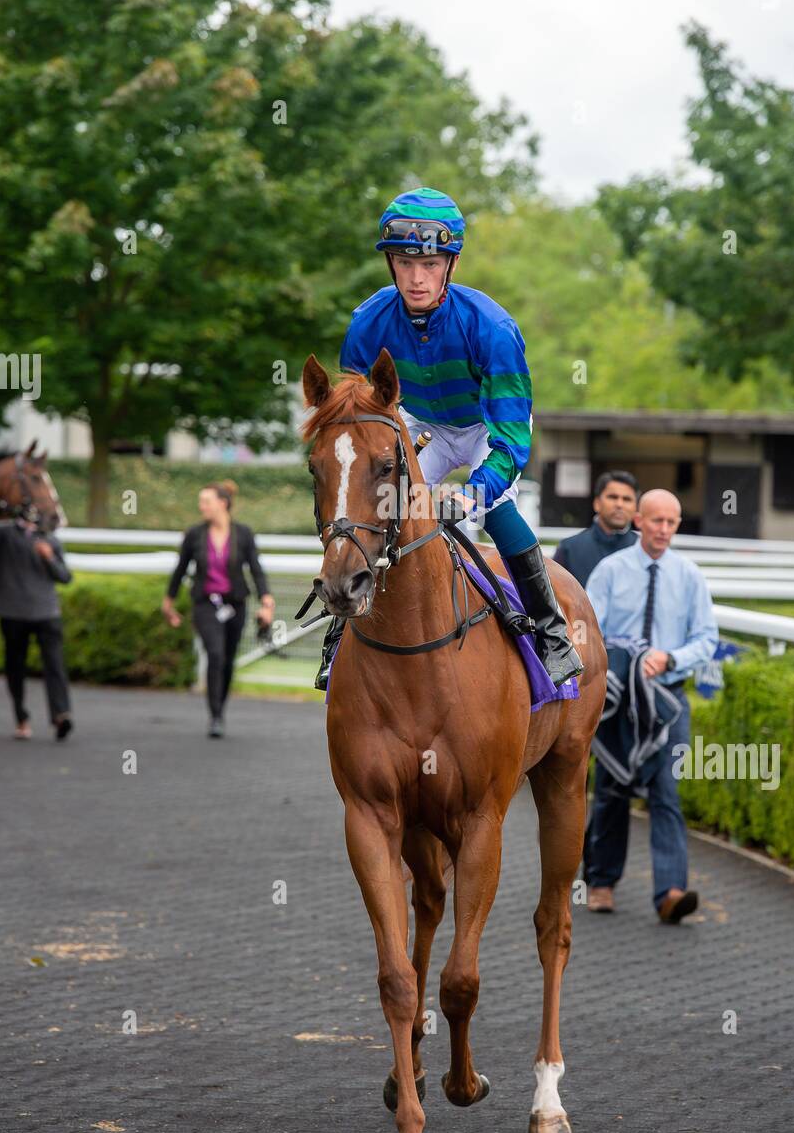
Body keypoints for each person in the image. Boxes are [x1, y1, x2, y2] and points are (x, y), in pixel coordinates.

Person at [314, 185, 582, 691]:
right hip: (422, 426)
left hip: (486, 427)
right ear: (390, 263)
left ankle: (551, 634)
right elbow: (358, 421)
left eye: (432, 264)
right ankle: (339, 634)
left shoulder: (494, 328)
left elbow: (509, 438)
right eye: (404, 263)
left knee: (497, 511)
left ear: (451, 264)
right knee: (377, 504)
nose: (417, 278)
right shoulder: (366, 323)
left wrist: (475, 491)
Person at [582, 489, 718, 923]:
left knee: (667, 794)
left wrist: (670, 658)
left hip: (668, 702)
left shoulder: (689, 576)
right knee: (611, 789)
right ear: (639, 520)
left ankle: (670, 894)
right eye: (656, 521)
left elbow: (707, 639)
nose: (663, 530)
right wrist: (624, 662)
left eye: (671, 523)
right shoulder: (610, 571)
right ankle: (600, 883)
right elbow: (587, 630)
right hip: (618, 701)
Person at [161, 480, 274, 737]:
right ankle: (215, 716)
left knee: (227, 659)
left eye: (206, 502)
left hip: (235, 604)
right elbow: (180, 570)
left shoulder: (243, 534)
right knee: (215, 654)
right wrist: (168, 602)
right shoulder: (194, 534)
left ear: (222, 503)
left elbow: (256, 570)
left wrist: (266, 600)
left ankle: (220, 707)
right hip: (205, 604)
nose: (202, 507)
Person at [0, 517, 74, 740]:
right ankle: (21, 717)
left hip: (47, 613)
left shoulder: (50, 539)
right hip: (13, 613)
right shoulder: (6, 535)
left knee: (55, 664)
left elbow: (65, 576)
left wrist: (49, 558)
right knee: (15, 667)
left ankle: (61, 714)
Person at [553, 470, 639, 587]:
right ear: (597, 503)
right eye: (613, 497)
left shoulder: (643, 550)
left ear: (635, 507)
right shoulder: (569, 549)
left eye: (627, 499)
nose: (619, 504)